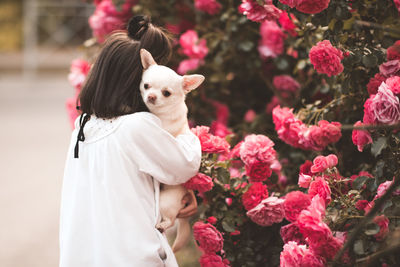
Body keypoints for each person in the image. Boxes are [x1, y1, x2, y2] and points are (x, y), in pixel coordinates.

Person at [59, 16, 201, 267]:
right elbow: (186, 163)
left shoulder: (82, 128)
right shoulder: (137, 127)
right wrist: (181, 120)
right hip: (134, 258)